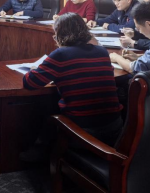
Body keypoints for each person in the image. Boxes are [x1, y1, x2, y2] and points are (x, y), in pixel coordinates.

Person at [23, 13, 124, 149]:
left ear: (60, 35)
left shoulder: (60, 55)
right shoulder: (102, 52)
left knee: (45, 108)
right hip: (115, 128)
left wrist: (35, 69)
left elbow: (30, 82)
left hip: (84, 132)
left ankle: (39, 153)